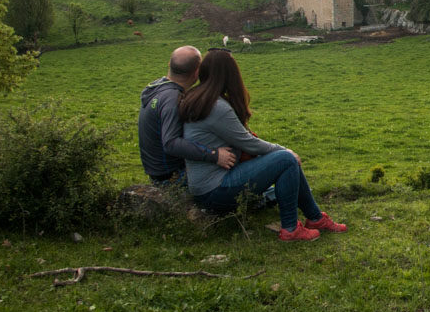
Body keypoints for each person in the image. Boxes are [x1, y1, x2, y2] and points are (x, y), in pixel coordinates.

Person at [179, 48, 346, 241]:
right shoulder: (217, 107)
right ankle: (291, 228)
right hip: (215, 190)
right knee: (285, 159)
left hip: (205, 187)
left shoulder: (199, 98)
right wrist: (285, 150)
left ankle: (315, 218)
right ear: (230, 75)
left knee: (284, 160)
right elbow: (249, 144)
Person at [139, 45, 236, 184]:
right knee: (234, 162)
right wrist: (214, 154)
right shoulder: (172, 99)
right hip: (172, 176)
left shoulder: (157, 88)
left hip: (157, 173)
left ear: (169, 64)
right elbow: (171, 143)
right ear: (197, 72)